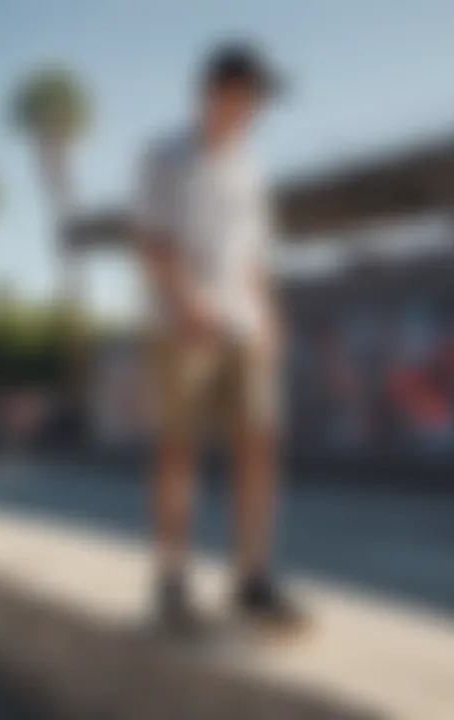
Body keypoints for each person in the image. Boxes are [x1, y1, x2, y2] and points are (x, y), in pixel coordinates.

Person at [135, 42, 302, 632]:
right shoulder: (165, 155)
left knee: (259, 443)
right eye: (246, 95)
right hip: (181, 326)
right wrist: (187, 301)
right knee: (180, 448)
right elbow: (153, 241)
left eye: (258, 101)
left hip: (242, 325)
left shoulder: (251, 171)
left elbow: (254, 257)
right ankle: (171, 580)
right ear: (214, 90)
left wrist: (269, 315)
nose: (253, 109)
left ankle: (251, 578)